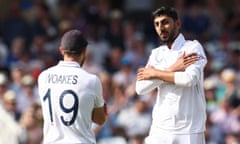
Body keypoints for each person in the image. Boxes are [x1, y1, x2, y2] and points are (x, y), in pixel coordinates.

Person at [135, 7, 207, 144]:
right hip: (160, 128)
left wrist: (155, 73)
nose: (161, 27)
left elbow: (188, 79)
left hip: (189, 129)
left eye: (165, 22)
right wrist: (173, 68)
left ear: (178, 24)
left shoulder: (192, 47)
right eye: (157, 24)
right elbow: (141, 88)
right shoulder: (156, 53)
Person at [38, 29, 107, 144]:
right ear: (85, 51)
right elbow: (100, 119)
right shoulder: (91, 80)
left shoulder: (43, 77)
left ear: (61, 50)